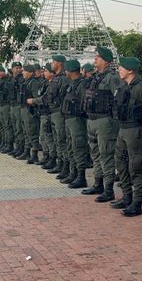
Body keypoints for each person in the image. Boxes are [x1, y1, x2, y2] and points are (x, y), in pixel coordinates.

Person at [110, 57, 142, 216]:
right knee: (120, 162)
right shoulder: (123, 86)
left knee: (136, 166)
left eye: (121, 67)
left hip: (136, 130)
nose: (119, 70)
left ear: (130, 70)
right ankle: (127, 196)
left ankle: (137, 202)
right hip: (123, 128)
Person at [82, 47, 121, 202]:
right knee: (95, 153)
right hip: (92, 119)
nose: (95, 59)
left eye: (98, 57)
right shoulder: (96, 77)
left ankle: (109, 188)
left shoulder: (112, 77)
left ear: (106, 60)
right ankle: (98, 183)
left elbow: (119, 99)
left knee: (106, 154)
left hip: (106, 121)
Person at [60, 60, 89, 188]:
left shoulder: (82, 84)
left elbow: (85, 104)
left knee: (78, 147)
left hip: (77, 120)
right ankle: (74, 173)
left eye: (66, 70)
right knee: (71, 146)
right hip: (69, 119)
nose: (65, 72)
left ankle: (81, 176)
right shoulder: (73, 84)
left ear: (70, 71)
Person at [49, 55, 70, 177]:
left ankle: (65, 166)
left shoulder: (63, 78)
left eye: (53, 62)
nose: (51, 64)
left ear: (60, 64)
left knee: (62, 140)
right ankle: (61, 163)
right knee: (58, 139)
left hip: (60, 113)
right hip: (54, 112)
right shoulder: (56, 78)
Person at [20, 64, 43, 163]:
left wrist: (33, 109)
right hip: (25, 108)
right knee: (26, 131)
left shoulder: (33, 83)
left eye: (24, 71)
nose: (22, 73)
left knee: (32, 131)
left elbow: (35, 98)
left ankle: (34, 153)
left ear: (30, 72)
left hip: (30, 110)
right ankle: (27, 150)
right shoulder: (27, 82)